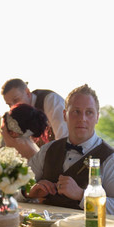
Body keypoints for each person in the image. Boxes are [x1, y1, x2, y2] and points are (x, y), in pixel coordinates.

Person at [19, 84, 114, 214]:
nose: (82, 119)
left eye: (89, 112)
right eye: (76, 111)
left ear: (97, 117)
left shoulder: (110, 158)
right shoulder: (47, 150)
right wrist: (27, 192)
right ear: (65, 115)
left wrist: (82, 195)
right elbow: (13, 187)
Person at [1, 78, 68, 140]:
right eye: (9, 104)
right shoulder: (20, 117)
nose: (13, 107)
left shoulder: (50, 100)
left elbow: (63, 136)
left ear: (27, 93)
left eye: (16, 100)